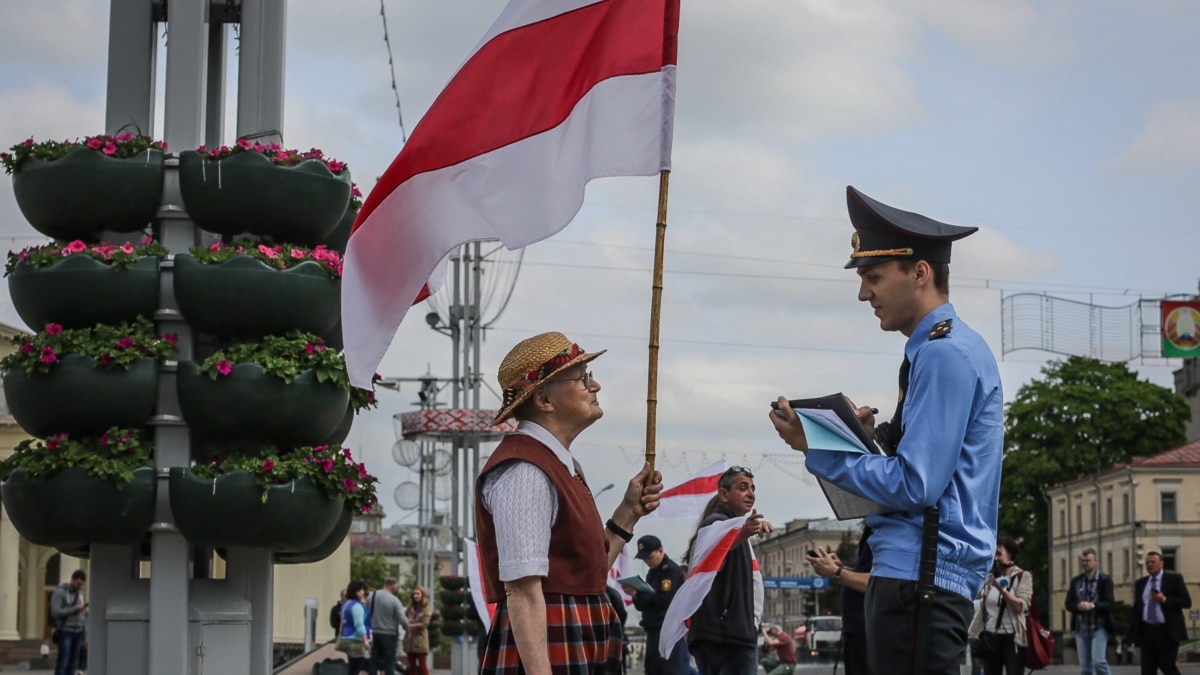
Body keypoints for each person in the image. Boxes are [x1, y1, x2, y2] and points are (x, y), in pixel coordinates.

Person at [770, 185, 1003, 675]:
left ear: (920, 273)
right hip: (920, 576)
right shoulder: (941, 349)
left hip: (920, 579)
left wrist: (818, 446)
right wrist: (868, 442)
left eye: (873, 276)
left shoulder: (942, 354)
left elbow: (916, 484)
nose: (863, 293)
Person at [474, 331, 664, 675]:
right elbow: (523, 592)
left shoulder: (557, 463)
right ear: (545, 400)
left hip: (575, 633)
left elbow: (584, 574)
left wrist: (628, 513)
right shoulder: (524, 470)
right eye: (583, 378)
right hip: (547, 644)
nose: (596, 386)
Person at [683, 466, 771, 675]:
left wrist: (745, 531)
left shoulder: (734, 527)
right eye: (743, 488)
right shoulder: (716, 525)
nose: (751, 493)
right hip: (729, 636)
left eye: (752, 488)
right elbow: (713, 555)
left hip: (724, 633)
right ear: (723, 494)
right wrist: (743, 532)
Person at [805, 526, 873, 675]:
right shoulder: (873, 529)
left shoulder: (890, 533)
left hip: (869, 629)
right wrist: (841, 568)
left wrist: (837, 572)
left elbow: (880, 582)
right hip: (856, 626)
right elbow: (866, 574)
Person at [625, 534, 690, 675]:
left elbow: (664, 599)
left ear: (660, 551)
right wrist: (636, 595)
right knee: (653, 670)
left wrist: (639, 594)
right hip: (652, 628)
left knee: (669, 670)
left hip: (666, 629)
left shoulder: (670, 571)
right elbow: (643, 604)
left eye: (650, 557)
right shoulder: (652, 574)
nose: (648, 562)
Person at [968, 538, 1032, 675]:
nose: (996, 558)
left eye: (999, 554)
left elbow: (1021, 606)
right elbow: (977, 597)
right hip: (991, 635)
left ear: (1010, 555)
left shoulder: (1022, 576)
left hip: (1013, 637)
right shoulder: (991, 578)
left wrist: (1002, 590)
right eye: (994, 555)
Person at [1127, 550, 1192, 675]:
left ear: (1161, 563)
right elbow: (1137, 609)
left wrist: (1165, 600)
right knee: (1147, 669)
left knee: (1167, 666)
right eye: (1147, 563)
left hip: (1166, 630)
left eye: (1153, 562)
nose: (1150, 565)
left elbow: (1186, 601)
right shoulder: (1141, 583)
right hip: (1147, 630)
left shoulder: (1174, 579)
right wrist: (1132, 634)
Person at [1066, 548, 1114, 675]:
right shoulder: (1076, 581)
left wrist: (1092, 606)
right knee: (1085, 667)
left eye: (1088, 560)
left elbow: (1109, 604)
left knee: (1098, 661)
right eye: (1083, 561)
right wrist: (1078, 606)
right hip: (1081, 628)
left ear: (1095, 561)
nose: (1085, 563)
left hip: (1099, 626)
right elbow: (1068, 603)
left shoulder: (1104, 580)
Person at [368, 577, 409, 675]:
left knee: (373, 662)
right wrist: (407, 628)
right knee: (389, 663)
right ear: (393, 586)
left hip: (374, 633)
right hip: (389, 635)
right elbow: (402, 618)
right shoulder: (394, 600)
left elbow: (366, 613)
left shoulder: (371, 597)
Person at [50, 569, 87, 675]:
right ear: (72, 580)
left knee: (73, 663)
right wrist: (75, 609)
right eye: (78, 583)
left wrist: (85, 635)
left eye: (82, 585)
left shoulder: (80, 594)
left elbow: (83, 615)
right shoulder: (60, 592)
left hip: (79, 632)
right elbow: (56, 612)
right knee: (63, 662)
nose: (80, 586)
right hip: (66, 631)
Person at [340, 580, 372, 675]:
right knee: (355, 669)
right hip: (355, 639)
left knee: (352, 667)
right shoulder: (356, 606)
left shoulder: (346, 604)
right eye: (361, 590)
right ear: (356, 592)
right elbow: (359, 624)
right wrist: (365, 640)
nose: (363, 592)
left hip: (346, 636)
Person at [403, 585, 433, 675]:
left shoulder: (426, 608)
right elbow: (404, 618)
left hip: (420, 640)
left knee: (422, 666)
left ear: (422, 595)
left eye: (418, 594)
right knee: (411, 666)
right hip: (410, 639)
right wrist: (408, 622)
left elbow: (425, 624)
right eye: (414, 594)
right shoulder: (410, 606)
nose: (415, 596)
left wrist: (412, 624)